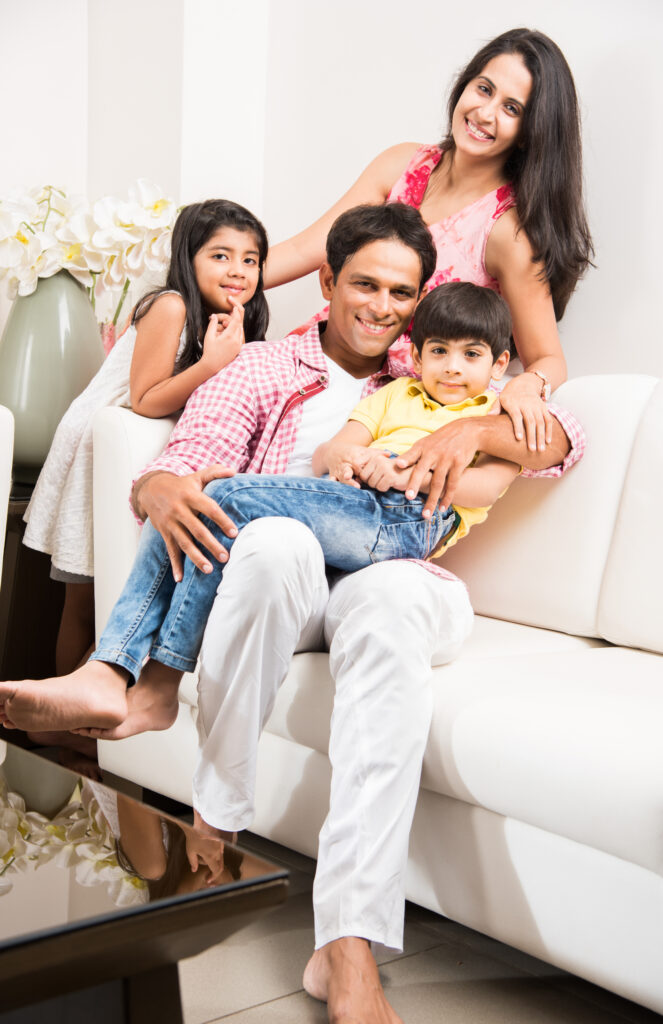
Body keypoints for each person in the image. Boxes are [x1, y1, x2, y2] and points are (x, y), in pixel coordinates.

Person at [0, 202, 584, 1024]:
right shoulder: (263, 367)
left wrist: (479, 428)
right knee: (272, 538)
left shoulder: (441, 375)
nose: (381, 307)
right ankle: (216, 811)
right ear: (325, 280)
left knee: (382, 609)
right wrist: (159, 483)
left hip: (402, 572)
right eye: (364, 285)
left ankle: (348, 943)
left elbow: (565, 439)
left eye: (400, 294)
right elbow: (184, 464)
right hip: (286, 576)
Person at [9, 282, 517, 741]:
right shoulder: (394, 393)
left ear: (498, 365)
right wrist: (356, 461)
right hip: (358, 503)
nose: (452, 366)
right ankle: (132, 678)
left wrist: (413, 475)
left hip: (412, 521)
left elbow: (488, 488)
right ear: (417, 354)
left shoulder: (497, 413)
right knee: (200, 494)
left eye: (471, 355)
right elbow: (331, 453)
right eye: (439, 352)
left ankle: (133, 675)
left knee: (223, 495)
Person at [264, 26, 593, 473]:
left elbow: (548, 357)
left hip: (397, 406)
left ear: (530, 131)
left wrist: (529, 384)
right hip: (324, 362)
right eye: (484, 89)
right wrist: (206, 282)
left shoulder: (508, 232)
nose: (485, 112)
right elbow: (310, 246)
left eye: (511, 108)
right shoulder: (401, 163)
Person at [21, 198, 269, 673]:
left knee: (115, 592)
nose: (238, 270)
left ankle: (84, 717)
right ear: (187, 257)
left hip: (140, 454)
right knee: (86, 595)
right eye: (220, 255)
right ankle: (60, 724)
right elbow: (146, 399)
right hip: (100, 446)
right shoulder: (171, 305)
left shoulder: (233, 322)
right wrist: (212, 363)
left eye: (250, 259)